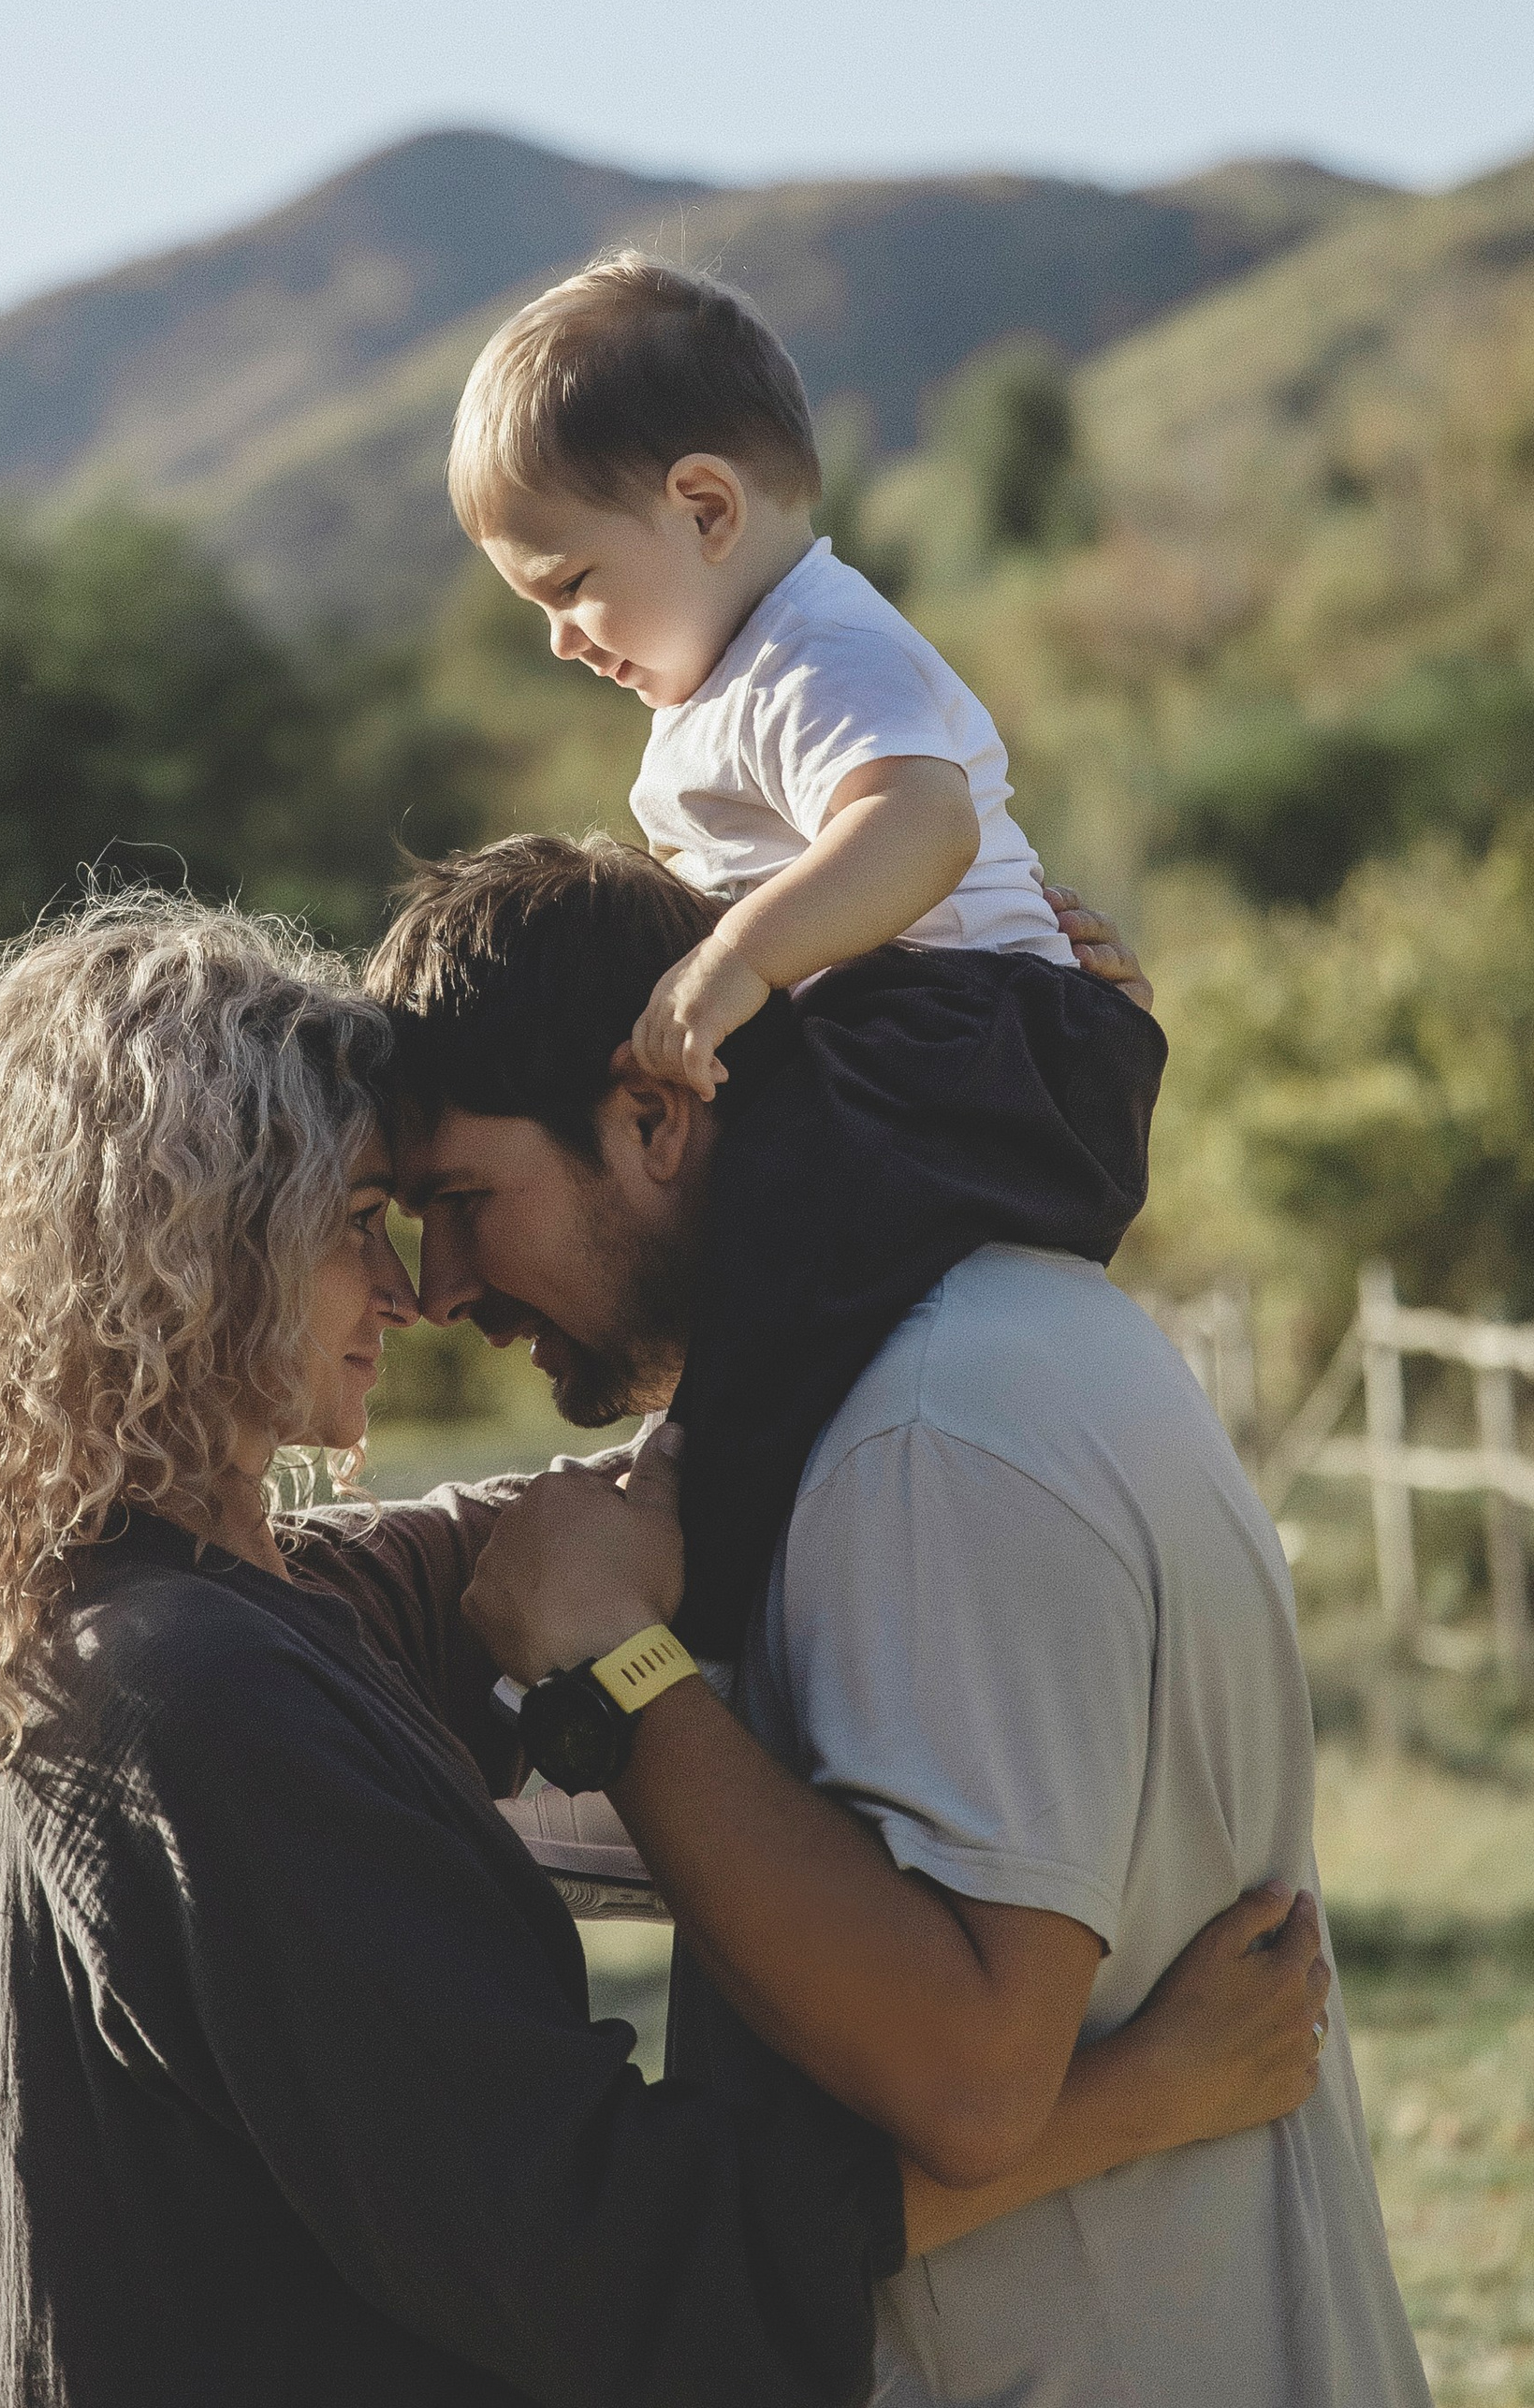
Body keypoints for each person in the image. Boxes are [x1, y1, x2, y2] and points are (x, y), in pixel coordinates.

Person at [0, 891, 1330, 2408]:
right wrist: (1133, 2098)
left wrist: (979, 1076)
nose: (407, 1290)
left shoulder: (206, 1624)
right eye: (352, 1231)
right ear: (188, 1255)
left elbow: (618, 1505)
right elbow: (624, 2263)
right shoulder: (181, 1701)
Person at [368, 833, 1477, 2408]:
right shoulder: (954, 1357)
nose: (440, 1282)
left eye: (464, 1198)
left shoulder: (926, 1437)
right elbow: (811, 1851)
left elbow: (970, 2063)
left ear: (649, 1115)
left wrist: (609, 1679)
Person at [446, 252, 1169, 1645]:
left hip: (971, 1042)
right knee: (762, 1237)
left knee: (775, 1239)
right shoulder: (723, 690)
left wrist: (740, 966)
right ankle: (719, 1514)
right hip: (927, 1037)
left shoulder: (817, 654)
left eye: (571, 584)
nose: (554, 639)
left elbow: (918, 827)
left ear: (704, 507)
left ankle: (705, 1553)